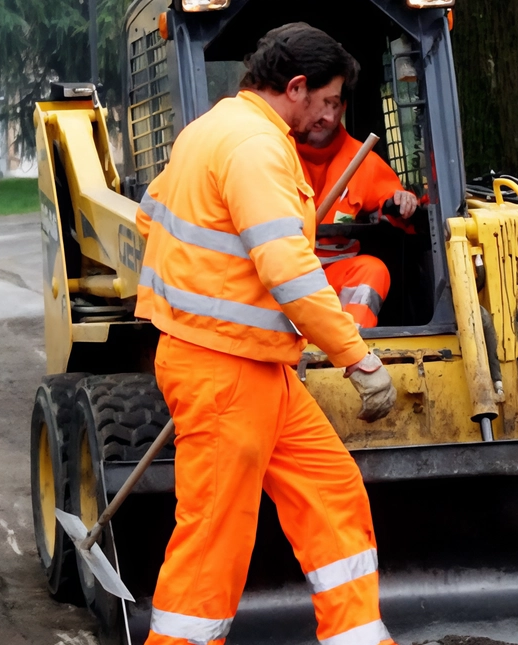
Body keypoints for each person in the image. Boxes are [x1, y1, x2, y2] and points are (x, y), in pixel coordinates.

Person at [134, 22, 399, 645]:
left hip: (248, 367)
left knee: (331, 489)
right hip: (224, 371)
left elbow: (151, 218)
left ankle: (357, 637)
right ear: (297, 86)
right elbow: (289, 270)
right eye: (329, 101)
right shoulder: (257, 147)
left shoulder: (211, 130)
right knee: (214, 536)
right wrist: (357, 359)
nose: (333, 115)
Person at [295, 100, 419, 328]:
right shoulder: (269, 151)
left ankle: (353, 349)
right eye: (315, 103)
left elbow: (392, 199)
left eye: (331, 104)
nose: (326, 116)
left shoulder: (362, 159)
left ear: (343, 107)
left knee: (372, 270)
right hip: (281, 270)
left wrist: (403, 200)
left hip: (334, 271)